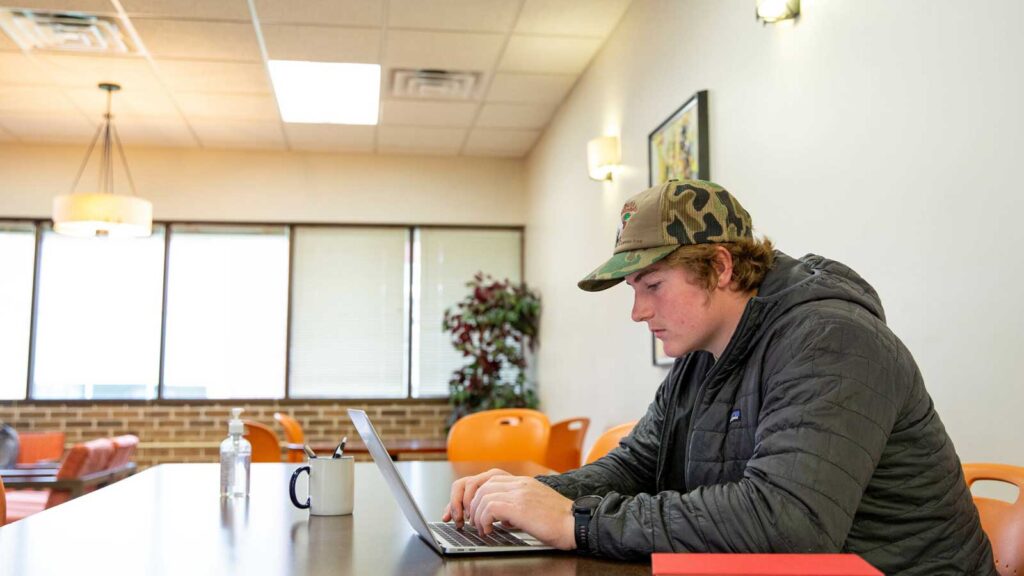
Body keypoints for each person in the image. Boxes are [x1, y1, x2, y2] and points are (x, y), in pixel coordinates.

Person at [442, 180, 997, 575]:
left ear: (722, 267)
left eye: (652, 285)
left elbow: (786, 522)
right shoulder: (701, 356)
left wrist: (577, 523)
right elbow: (639, 464)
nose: (637, 312)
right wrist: (530, 495)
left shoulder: (831, 341)